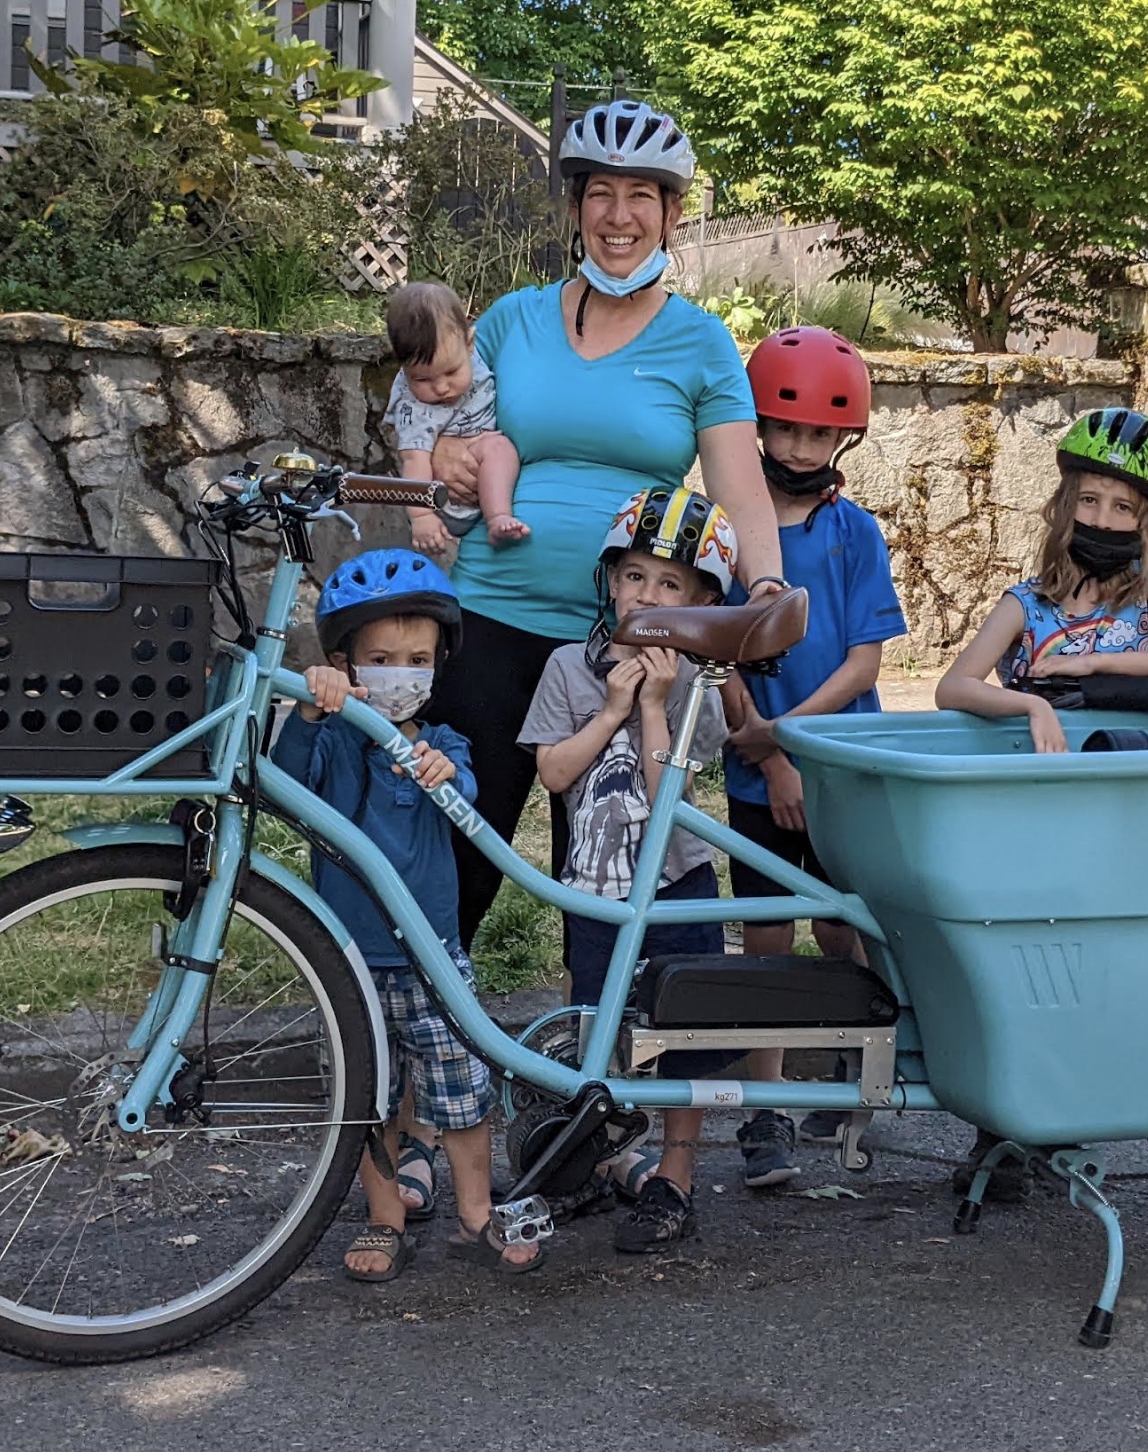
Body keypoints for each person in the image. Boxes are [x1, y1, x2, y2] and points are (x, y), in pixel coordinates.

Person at [418, 99, 785, 972]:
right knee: (455, 850)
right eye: (601, 193)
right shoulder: (510, 320)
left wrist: (764, 589)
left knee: (610, 872)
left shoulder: (701, 344)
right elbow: (436, 416)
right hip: (488, 615)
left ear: (672, 211)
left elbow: (742, 491)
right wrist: (443, 453)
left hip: (621, 644)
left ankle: (597, 1072)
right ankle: (423, 1063)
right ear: (577, 204)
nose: (620, 217)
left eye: (643, 196)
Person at [934, 408, 1148, 1197]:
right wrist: (1031, 705)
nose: (1103, 519)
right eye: (1089, 501)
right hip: (1040, 810)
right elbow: (957, 683)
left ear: (1146, 522)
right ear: (1063, 507)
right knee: (1027, 967)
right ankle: (1005, 1130)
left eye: (1124, 508)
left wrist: (1105, 673)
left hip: (1119, 811)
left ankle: (1078, 1116)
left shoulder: (1144, 594)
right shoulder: (1028, 602)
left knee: (1104, 963)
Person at [272, 549, 541, 1279]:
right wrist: (307, 704)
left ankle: (477, 1212)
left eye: (417, 658)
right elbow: (284, 782)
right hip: (349, 961)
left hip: (433, 958)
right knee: (367, 1099)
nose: (401, 672)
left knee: (460, 1091)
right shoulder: (328, 739)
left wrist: (447, 775)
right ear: (344, 661)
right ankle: (384, 1217)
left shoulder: (442, 742)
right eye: (381, 658)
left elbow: (471, 806)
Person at [518, 486, 735, 1253]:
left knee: (687, 1031)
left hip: (676, 880)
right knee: (595, 1023)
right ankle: (602, 1158)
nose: (648, 596)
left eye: (671, 584)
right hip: (598, 886)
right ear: (610, 579)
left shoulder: (702, 687)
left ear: (703, 602)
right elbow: (553, 774)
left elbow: (664, 798)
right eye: (635, 576)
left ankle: (675, 1175)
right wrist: (611, 708)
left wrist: (655, 707)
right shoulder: (566, 669)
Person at [719, 327, 906, 1188]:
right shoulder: (730, 535)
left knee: (841, 924)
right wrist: (765, 747)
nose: (799, 448)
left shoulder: (854, 535)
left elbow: (864, 661)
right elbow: (722, 656)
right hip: (759, 761)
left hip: (838, 765)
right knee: (765, 937)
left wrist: (793, 741)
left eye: (818, 435)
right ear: (757, 427)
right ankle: (763, 1110)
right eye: (784, 430)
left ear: (843, 441)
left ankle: (858, 1063)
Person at [379, 282, 527, 551]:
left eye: (450, 372)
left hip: (480, 468)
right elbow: (414, 461)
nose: (441, 388)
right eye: (422, 378)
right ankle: (498, 516)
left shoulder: (473, 353)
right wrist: (422, 516)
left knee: (498, 447)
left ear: (470, 344)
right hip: (446, 504)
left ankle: (499, 517)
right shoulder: (414, 407)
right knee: (497, 447)